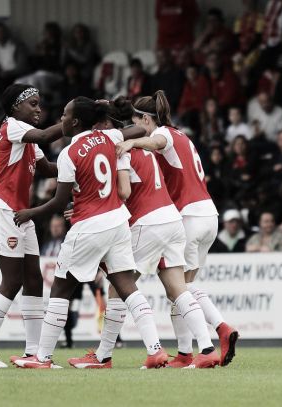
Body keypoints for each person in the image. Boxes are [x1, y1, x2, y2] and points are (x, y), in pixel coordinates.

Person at [11, 96, 168, 369]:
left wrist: (30, 213)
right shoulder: (108, 136)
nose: (60, 120)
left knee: (62, 286)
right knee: (126, 285)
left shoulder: (69, 153)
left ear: (74, 122)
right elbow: (141, 130)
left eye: (63, 115)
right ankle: (155, 349)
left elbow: (59, 203)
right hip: (118, 221)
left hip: (89, 226)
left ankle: (42, 357)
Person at [69, 98, 219, 369]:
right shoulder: (146, 145)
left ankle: (113, 354)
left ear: (107, 124)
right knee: (178, 289)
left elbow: (125, 192)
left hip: (148, 222)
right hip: (173, 220)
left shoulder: (120, 148)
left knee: (118, 286)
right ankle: (207, 348)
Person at [116, 90, 239, 367]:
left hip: (188, 215)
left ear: (146, 119)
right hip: (208, 213)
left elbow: (157, 140)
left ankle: (214, 332)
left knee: (177, 288)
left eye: (138, 122)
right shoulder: (183, 135)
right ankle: (194, 347)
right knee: (184, 286)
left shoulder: (165, 134)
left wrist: (131, 142)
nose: (136, 128)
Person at [0, 84, 62, 368]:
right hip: (1, 208)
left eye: (39, 103)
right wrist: (75, 120)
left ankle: (33, 352)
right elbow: (46, 134)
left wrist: (81, 162)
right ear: (15, 107)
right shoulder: (13, 127)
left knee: (33, 279)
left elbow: (48, 169)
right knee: (13, 280)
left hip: (20, 214)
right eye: (32, 103)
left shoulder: (29, 141)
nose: (38, 108)